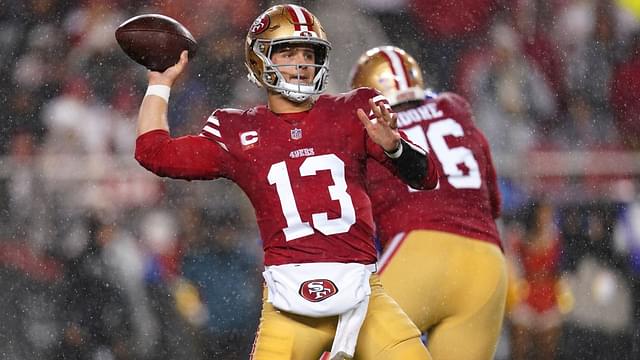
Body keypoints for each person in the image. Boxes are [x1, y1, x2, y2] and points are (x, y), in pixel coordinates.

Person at [133, 5, 438, 360]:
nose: (302, 62)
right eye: (289, 52)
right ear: (261, 60)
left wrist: (396, 148)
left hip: (365, 297)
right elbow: (153, 152)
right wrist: (159, 83)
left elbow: (426, 177)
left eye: (309, 53)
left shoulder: (355, 110)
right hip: (288, 305)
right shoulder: (239, 131)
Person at [350, 46, 507, 360]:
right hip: (488, 262)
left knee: (340, 346)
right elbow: (493, 203)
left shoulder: (369, 132)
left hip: (421, 252)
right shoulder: (456, 111)